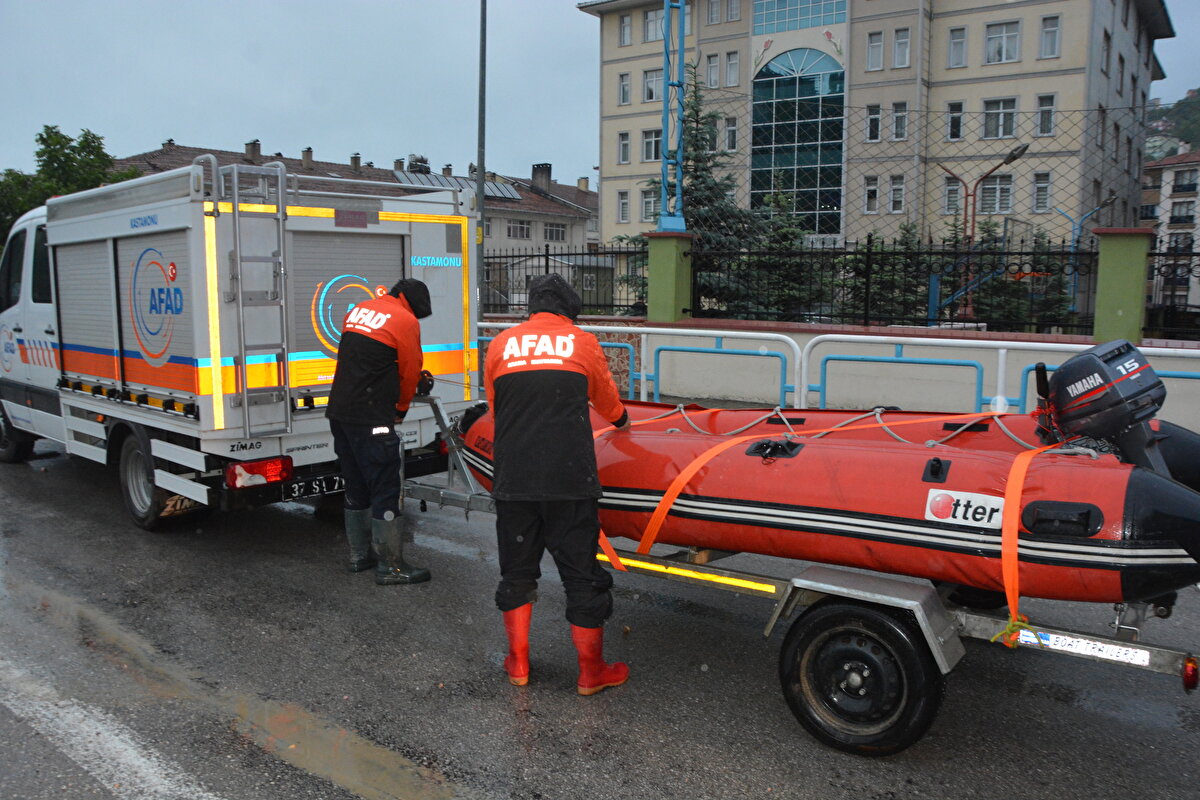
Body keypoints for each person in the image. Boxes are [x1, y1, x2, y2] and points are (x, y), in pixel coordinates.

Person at [484, 273, 632, 695]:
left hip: (515, 477)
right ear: (569, 310)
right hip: (569, 478)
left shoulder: (500, 344)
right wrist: (622, 421)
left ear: (531, 308)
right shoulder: (581, 342)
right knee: (580, 574)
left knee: (517, 571)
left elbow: (496, 410)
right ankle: (590, 672)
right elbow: (606, 401)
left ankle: (518, 664)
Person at [326, 278, 432, 585]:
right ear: (412, 303)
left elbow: (363, 360)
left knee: (356, 482)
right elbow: (410, 371)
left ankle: (359, 556)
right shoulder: (404, 319)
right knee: (385, 485)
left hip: (341, 412)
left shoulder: (359, 309)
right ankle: (391, 566)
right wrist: (400, 408)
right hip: (372, 415)